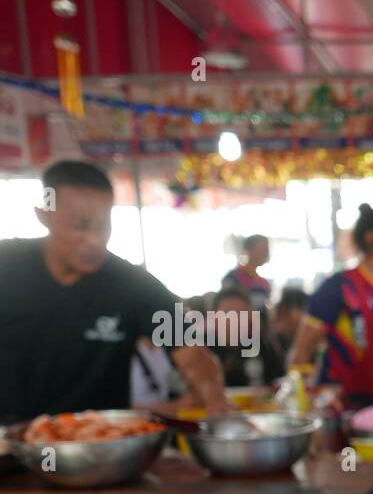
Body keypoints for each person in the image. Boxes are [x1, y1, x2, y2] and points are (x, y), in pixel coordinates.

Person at [0, 159, 227, 424]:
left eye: (103, 226)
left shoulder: (131, 284)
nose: (94, 239)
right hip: (9, 444)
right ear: (45, 215)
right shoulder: (7, 267)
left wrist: (215, 402)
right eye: (80, 226)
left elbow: (192, 353)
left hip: (103, 446)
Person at [288, 205, 373, 407]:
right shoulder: (339, 287)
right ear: (371, 238)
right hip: (345, 406)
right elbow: (301, 352)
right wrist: (307, 396)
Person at [222, 234, 271, 311]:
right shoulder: (233, 277)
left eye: (267, 250)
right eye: (263, 250)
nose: (266, 254)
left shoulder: (264, 283)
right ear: (249, 250)